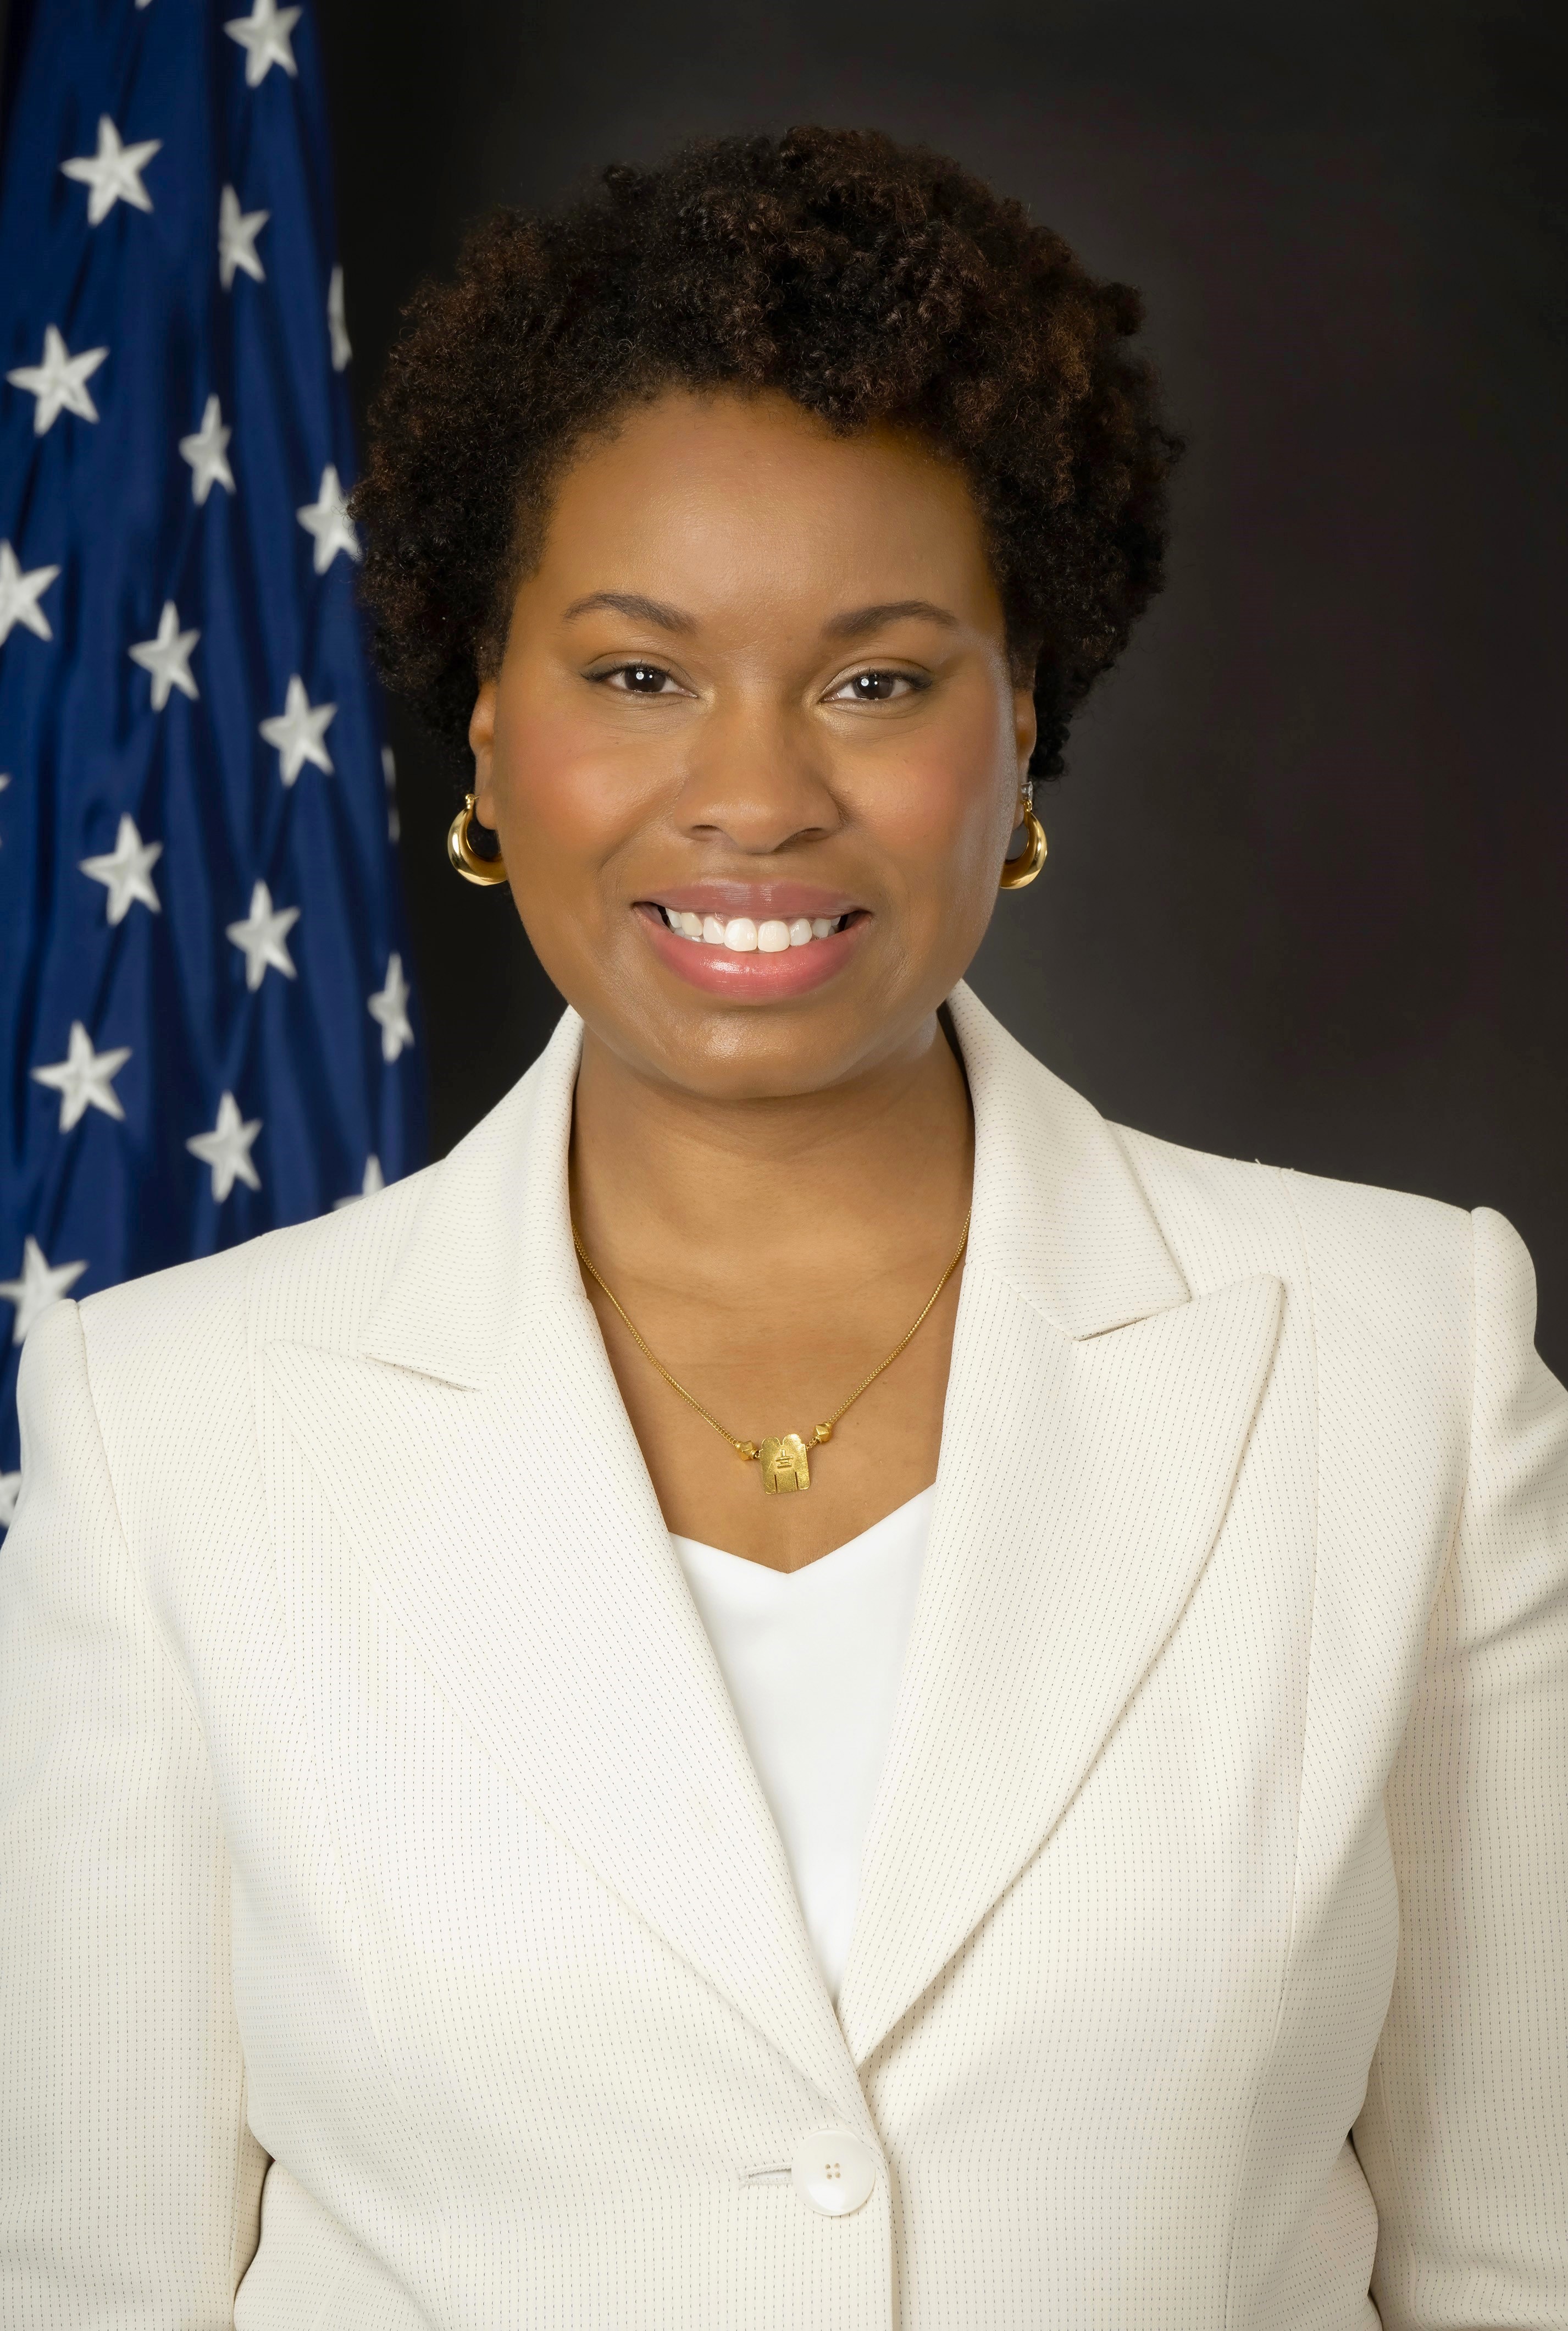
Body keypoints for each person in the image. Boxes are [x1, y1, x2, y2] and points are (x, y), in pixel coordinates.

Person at [1, 125, 1564, 2331]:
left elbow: (1527, 2263)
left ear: (1027, 727)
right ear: (483, 716)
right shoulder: (163, 1428)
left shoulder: (1405, 1361)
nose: (753, 792)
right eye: (639, 672)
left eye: (877, 677)